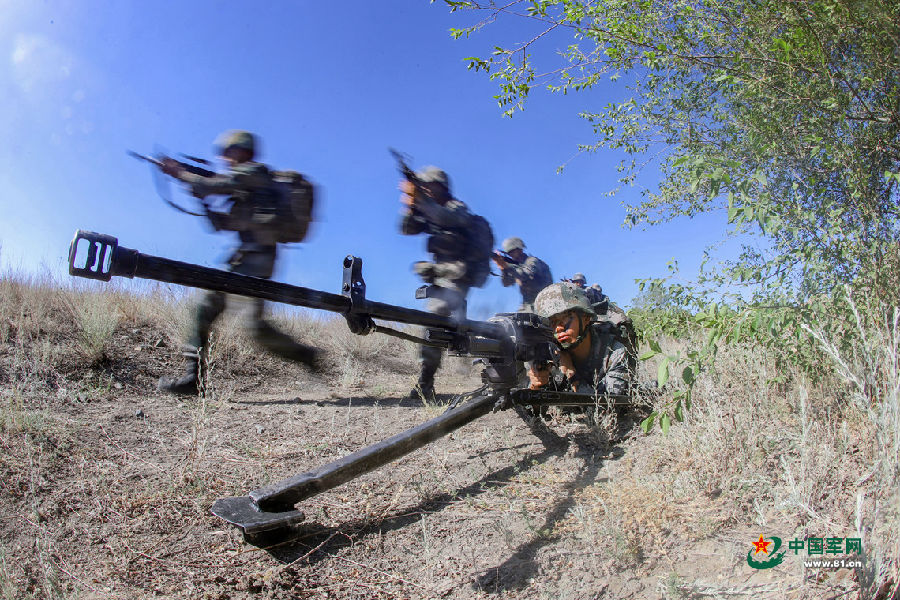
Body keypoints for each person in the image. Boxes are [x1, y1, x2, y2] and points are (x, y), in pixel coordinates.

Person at [156, 130, 319, 395]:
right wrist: (200, 198)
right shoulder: (248, 189)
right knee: (252, 328)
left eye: (228, 152)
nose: (225, 158)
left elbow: (215, 185)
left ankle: (192, 380)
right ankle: (305, 356)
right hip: (250, 258)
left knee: (206, 308)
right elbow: (219, 224)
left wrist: (180, 173)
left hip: (255, 259)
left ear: (242, 150)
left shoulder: (255, 173)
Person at [399, 166, 492, 401]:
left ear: (440, 186)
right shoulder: (428, 209)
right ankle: (429, 374)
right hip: (441, 273)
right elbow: (406, 228)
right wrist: (411, 203)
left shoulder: (456, 207)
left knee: (437, 314)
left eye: (428, 186)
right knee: (439, 322)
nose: (426, 190)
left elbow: (445, 218)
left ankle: (425, 382)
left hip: (459, 272)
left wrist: (421, 200)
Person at [527, 282, 631, 396]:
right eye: (551, 322)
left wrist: (573, 376)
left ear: (586, 318)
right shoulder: (551, 355)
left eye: (565, 318)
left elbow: (605, 409)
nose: (559, 328)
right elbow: (531, 412)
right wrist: (536, 387)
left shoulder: (614, 352)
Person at [492, 237, 553, 312]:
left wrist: (507, 267)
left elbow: (526, 275)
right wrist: (503, 268)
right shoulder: (515, 267)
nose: (510, 255)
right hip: (527, 306)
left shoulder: (533, 261)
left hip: (545, 303)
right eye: (509, 253)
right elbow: (506, 283)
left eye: (512, 251)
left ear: (520, 249)